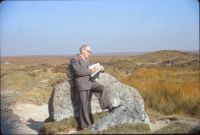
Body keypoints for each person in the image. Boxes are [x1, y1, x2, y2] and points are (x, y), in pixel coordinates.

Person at [69, 45, 120, 130]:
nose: (90, 53)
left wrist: (101, 69)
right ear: (83, 50)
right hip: (82, 84)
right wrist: (91, 71)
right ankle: (85, 127)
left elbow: (94, 68)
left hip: (90, 82)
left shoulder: (88, 60)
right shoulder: (75, 59)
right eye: (89, 51)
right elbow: (78, 72)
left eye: (90, 52)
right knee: (84, 106)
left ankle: (109, 107)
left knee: (102, 88)